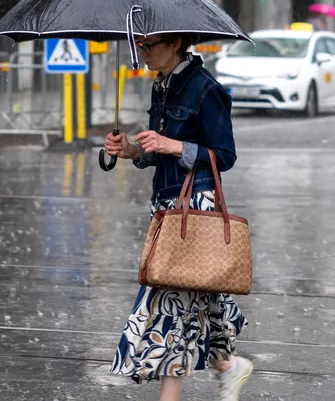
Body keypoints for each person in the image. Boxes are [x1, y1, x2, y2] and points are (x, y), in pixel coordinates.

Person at [104, 33, 253, 401]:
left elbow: (225, 155)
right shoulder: (162, 86)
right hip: (167, 209)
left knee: (169, 315)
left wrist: (175, 145)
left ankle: (207, 378)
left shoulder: (205, 89)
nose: (144, 52)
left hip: (194, 211)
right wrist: (133, 150)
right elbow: (159, 150)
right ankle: (229, 366)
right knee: (198, 303)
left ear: (176, 44)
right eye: (140, 46)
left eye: (150, 45)